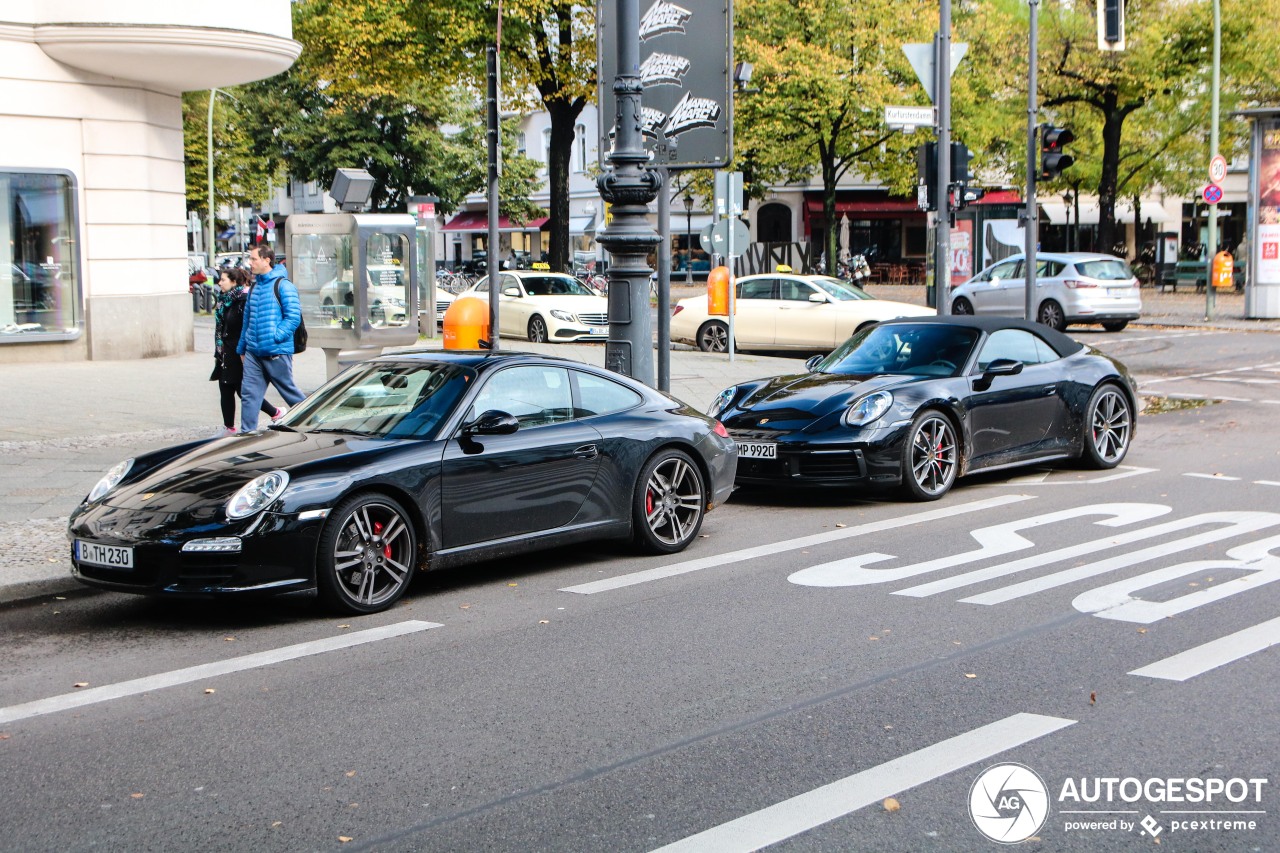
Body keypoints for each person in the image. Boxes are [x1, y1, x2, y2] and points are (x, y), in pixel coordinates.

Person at [237, 243, 306, 432]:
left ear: (266, 260)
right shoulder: (255, 287)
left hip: (276, 351)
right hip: (253, 351)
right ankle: (246, 435)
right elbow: (247, 320)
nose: (250, 263)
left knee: (289, 392)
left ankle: (316, 422)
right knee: (249, 394)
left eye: (253, 259)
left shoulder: (283, 285)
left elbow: (293, 317)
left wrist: (276, 337)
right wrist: (242, 348)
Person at [211, 267, 283, 435]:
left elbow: (247, 326)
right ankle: (229, 427)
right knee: (226, 387)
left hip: (239, 352)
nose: (219, 283)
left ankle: (275, 412)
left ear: (234, 282)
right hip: (225, 352)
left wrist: (245, 349)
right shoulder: (225, 301)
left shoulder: (243, 299)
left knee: (243, 390)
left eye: (223, 280)